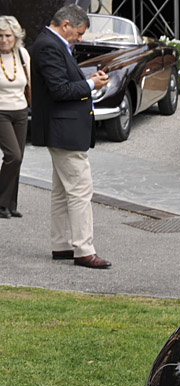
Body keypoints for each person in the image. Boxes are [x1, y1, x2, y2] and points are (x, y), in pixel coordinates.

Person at [30, 4, 112, 269]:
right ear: (65, 24)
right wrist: (91, 84)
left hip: (62, 129)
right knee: (79, 191)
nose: (80, 38)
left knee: (62, 191)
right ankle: (84, 250)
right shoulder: (48, 45)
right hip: (64, 129)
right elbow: (59, 90)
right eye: (78, 33)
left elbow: (62, 82)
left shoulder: (51, 43)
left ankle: (63, 245)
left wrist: (89, 80)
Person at [0, 15, 29, 219]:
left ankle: (11, 204)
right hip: (1, 112)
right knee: (13, 155)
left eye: (7, 35)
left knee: (19, 159)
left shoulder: (22, 54)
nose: (3, 40)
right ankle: (1, 202)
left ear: (16, 36)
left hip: (21, 110)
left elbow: (29, 83)